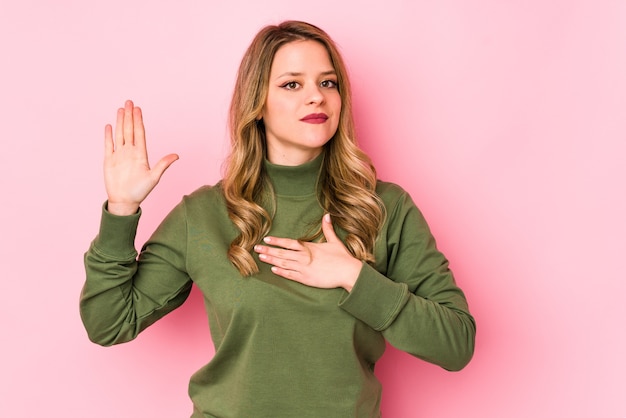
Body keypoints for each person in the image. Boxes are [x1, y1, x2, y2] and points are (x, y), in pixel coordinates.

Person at [80, 20, 476, 417]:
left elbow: (456, 343)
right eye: (292, 84)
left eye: (328, 83)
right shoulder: (202, 214)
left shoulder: (385, 208)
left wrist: (355, 277)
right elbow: (109, 323)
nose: (316, 99)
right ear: (258, 104)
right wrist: (120, 210)